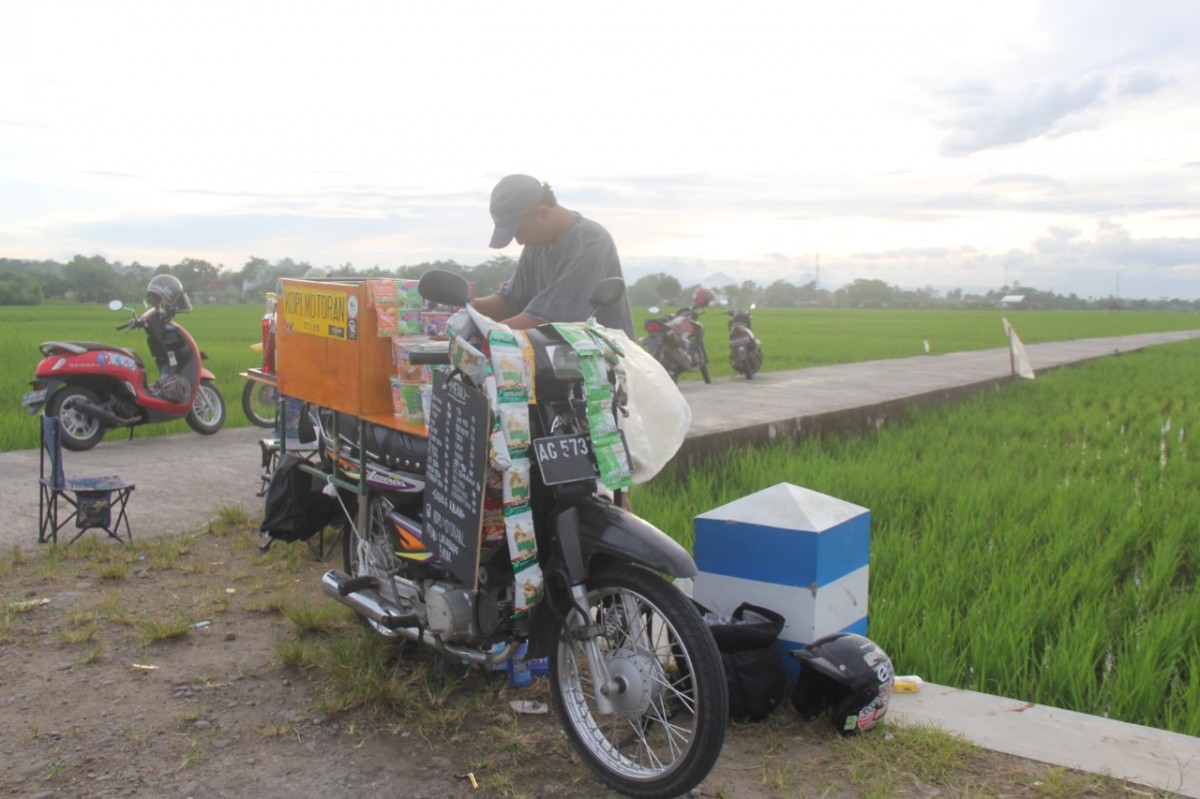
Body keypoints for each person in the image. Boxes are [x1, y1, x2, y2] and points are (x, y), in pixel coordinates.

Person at [472, 174, 636, 338]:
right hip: (554, 359)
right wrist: (467, 308)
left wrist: (481, 336)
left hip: (602, 358)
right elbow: (511, 301)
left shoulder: (588, 241)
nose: (520, 241)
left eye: (519, 231)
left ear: (542, 213)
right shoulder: (536, 244)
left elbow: (550, 322)